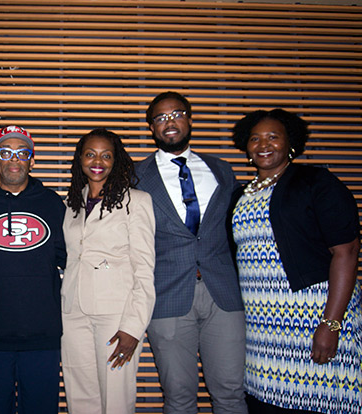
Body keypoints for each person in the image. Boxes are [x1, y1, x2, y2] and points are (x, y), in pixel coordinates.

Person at [230, 109, 362, 414]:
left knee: (322, 400)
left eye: (273, 137)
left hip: (311, 317)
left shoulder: (316, 181)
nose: (263, 144)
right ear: (246, 147)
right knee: (265, 402)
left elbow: (347, 251)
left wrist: (330, 324)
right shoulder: (240, 196)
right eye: (255, 138)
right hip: (262, 329)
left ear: (290, 142)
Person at [135, 91, 247, 414]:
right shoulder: (136, 177)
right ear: (151, 128)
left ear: (190, 118)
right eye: (160, 118)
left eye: (176, 114)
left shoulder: (222, 170)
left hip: (223, 296)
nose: (169, 123)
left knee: (230, 394)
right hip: (167, 297)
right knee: (179, 397)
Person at [0, 125, 66, 414]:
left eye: (22, 152)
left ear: (32, 160)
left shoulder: (53, 204)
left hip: (42, 335)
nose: (14, 159)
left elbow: (70, 260)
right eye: (5, 152)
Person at [61, 128, 156, 414]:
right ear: (80, 159)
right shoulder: (71, 204)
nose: (97, 161)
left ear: (116, 160)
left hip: (116, 316)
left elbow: (144, 269)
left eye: (106, 155)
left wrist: (133, 327)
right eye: (90, 154)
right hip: (73, 311)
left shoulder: (136, 201)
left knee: (116, 396)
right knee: (79, 395)